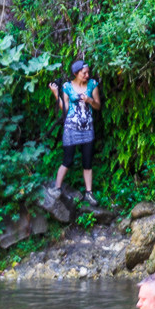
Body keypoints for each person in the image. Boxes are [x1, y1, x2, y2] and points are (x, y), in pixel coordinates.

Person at [49, 60, 102, 206]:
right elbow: (64, 109)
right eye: (84, 73)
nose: (87, 75)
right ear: (76, 73)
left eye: (88, 72)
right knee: (68, 160)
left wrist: (90, 100)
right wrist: (56, 94)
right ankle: (57, 188)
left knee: (87, 161)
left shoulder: (92, 85)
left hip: (87, 129)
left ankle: (88, 194)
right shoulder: (67, 87)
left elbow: (98, 106)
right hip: (71, 129)